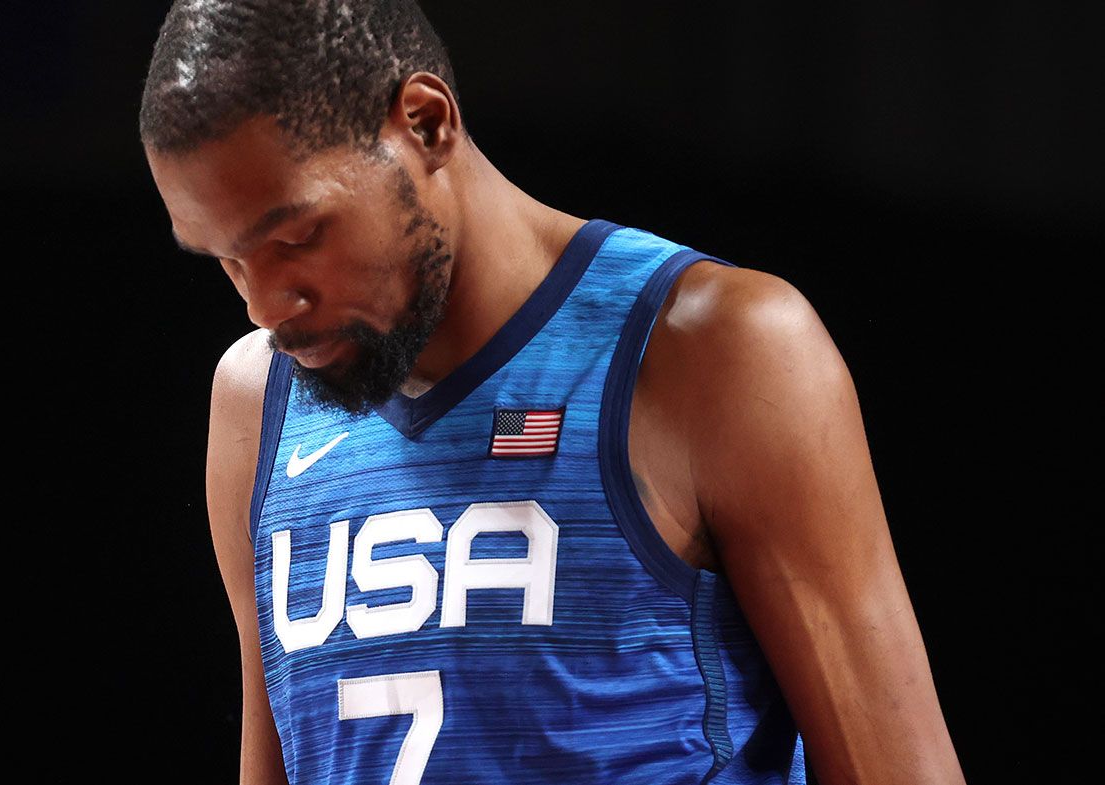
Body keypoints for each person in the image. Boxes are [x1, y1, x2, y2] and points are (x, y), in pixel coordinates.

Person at [138, 2, 966, 783]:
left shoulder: (716, 350)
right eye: (224, 257)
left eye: (296, 237)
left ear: (425, 124)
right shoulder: (256, 402)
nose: (264, 303)